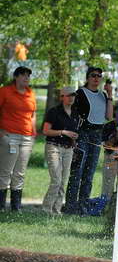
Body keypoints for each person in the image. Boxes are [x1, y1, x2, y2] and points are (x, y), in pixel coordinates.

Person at [63, 67, 113, 215]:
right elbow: (72, 115)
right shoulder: (80, 93)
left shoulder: (103, 95)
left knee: (89, 173)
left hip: (97, 135)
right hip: (83, 133)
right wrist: (73, 137)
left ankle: (83, 205)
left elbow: (109, 116)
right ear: (87, 77)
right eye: (93, 76)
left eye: (99, 76)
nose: (96, 78)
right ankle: (71, 206)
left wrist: (110, 94)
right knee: (77, 171)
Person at [0, 66, 37, 211]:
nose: (26, 78)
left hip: (27, 138)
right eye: (23, 75)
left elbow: (33, 115)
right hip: (9, 136)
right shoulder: (5, 91)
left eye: (28, 75)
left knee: (20, 173)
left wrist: (33, 134)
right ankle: (1, 206)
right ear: (16, 77)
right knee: (5, 171)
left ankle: (16, 207)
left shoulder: (31, 94)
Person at [41, 86, 79, 215]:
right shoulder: (54, 111)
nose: (71, 98)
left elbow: (73, 133)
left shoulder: (75, 113)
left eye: (73, 95)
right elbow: (45, 131)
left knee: (63, 181)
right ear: (62, 97)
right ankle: (47, 209)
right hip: (54, 146)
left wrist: (74, 140)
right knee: (56, 180)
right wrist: (63, 132)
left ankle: (56, 210)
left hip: (69, 149)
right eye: (68, 95)